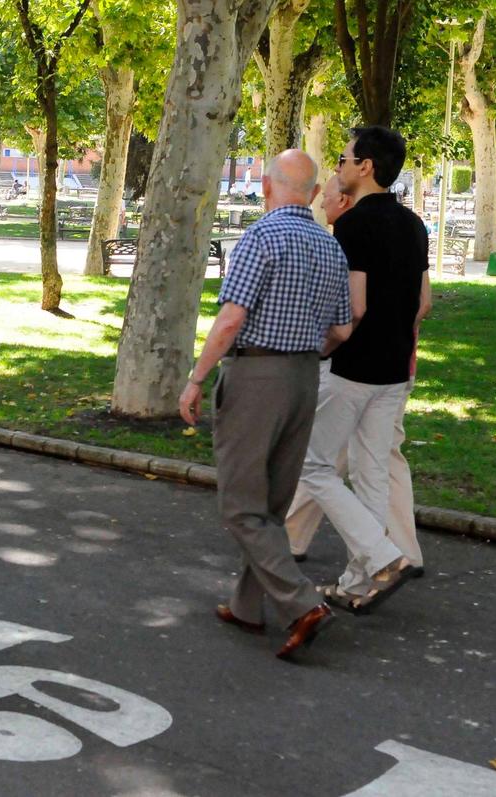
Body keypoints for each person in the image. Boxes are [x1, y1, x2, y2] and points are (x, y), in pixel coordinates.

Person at [178, 149, 352, 660]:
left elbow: (231, 319)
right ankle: (247, 606)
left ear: (266, 185)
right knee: (271, 503)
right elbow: (342, 328)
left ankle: (302, 605)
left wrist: (196, 379)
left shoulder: (260, 238)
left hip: (256, 376)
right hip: (303, 378)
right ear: (316, 193)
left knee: (240, 505)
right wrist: (302, 350)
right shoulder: (330, 247)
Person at [293, 126, 429, 615]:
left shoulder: (354, 226)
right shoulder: (414, 224)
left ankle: (380, 556)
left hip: (353, 368)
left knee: (313, 464)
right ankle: (358, 583)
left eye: (344, 160)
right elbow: (421, 302)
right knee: (372, 477)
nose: (338, 168)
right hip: (395, 368)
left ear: (366, 166)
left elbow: (354, 308)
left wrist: (323, 346)